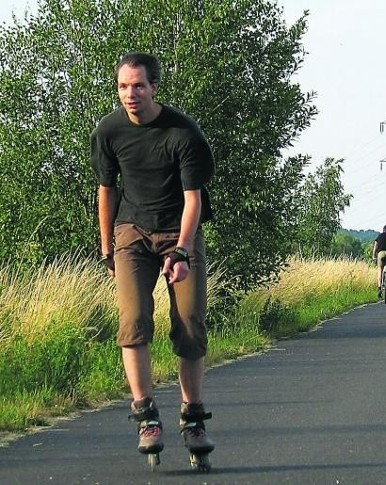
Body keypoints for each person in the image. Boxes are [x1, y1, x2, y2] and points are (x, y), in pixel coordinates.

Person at [90, 52, 215, 463]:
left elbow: (193, 200)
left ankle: (193, 419)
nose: (131, 94)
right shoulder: (109, 130)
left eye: (139, 86)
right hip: (131, 232)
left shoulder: (183, 132)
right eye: (124, 86)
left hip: (179, 231)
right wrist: (107, 247)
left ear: (154, 87)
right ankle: (146, 416)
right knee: (133, 321)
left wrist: (182, 250)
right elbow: (107, 191)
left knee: (190, 324)